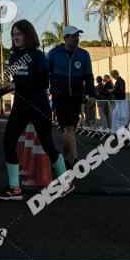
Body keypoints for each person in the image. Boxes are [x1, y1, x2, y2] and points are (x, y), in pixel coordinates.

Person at [0, 20, 69, 201]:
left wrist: (16, 84)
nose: (15, 37)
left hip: (39, 107)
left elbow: (43, 83)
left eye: (19, 34)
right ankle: (14, 188)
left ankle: (66, 183)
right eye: (13, 34)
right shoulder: (13, 57)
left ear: (28, 35)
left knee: (47, 144)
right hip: (21, 107)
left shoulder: (38, 56)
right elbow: (13, 82)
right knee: (8, 142)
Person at [47, 25, 96, 169]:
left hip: (76, 96)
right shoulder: (54, 53)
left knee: (69, 130)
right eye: (73, 36)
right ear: (65, 38)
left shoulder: (83, 54)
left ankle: (63, 160)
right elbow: (45, 73)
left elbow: (88, 77)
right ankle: (75, 159)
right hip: (59, 96)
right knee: (68, 127)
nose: (76, 39)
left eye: (78, 36)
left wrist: (92, 94)